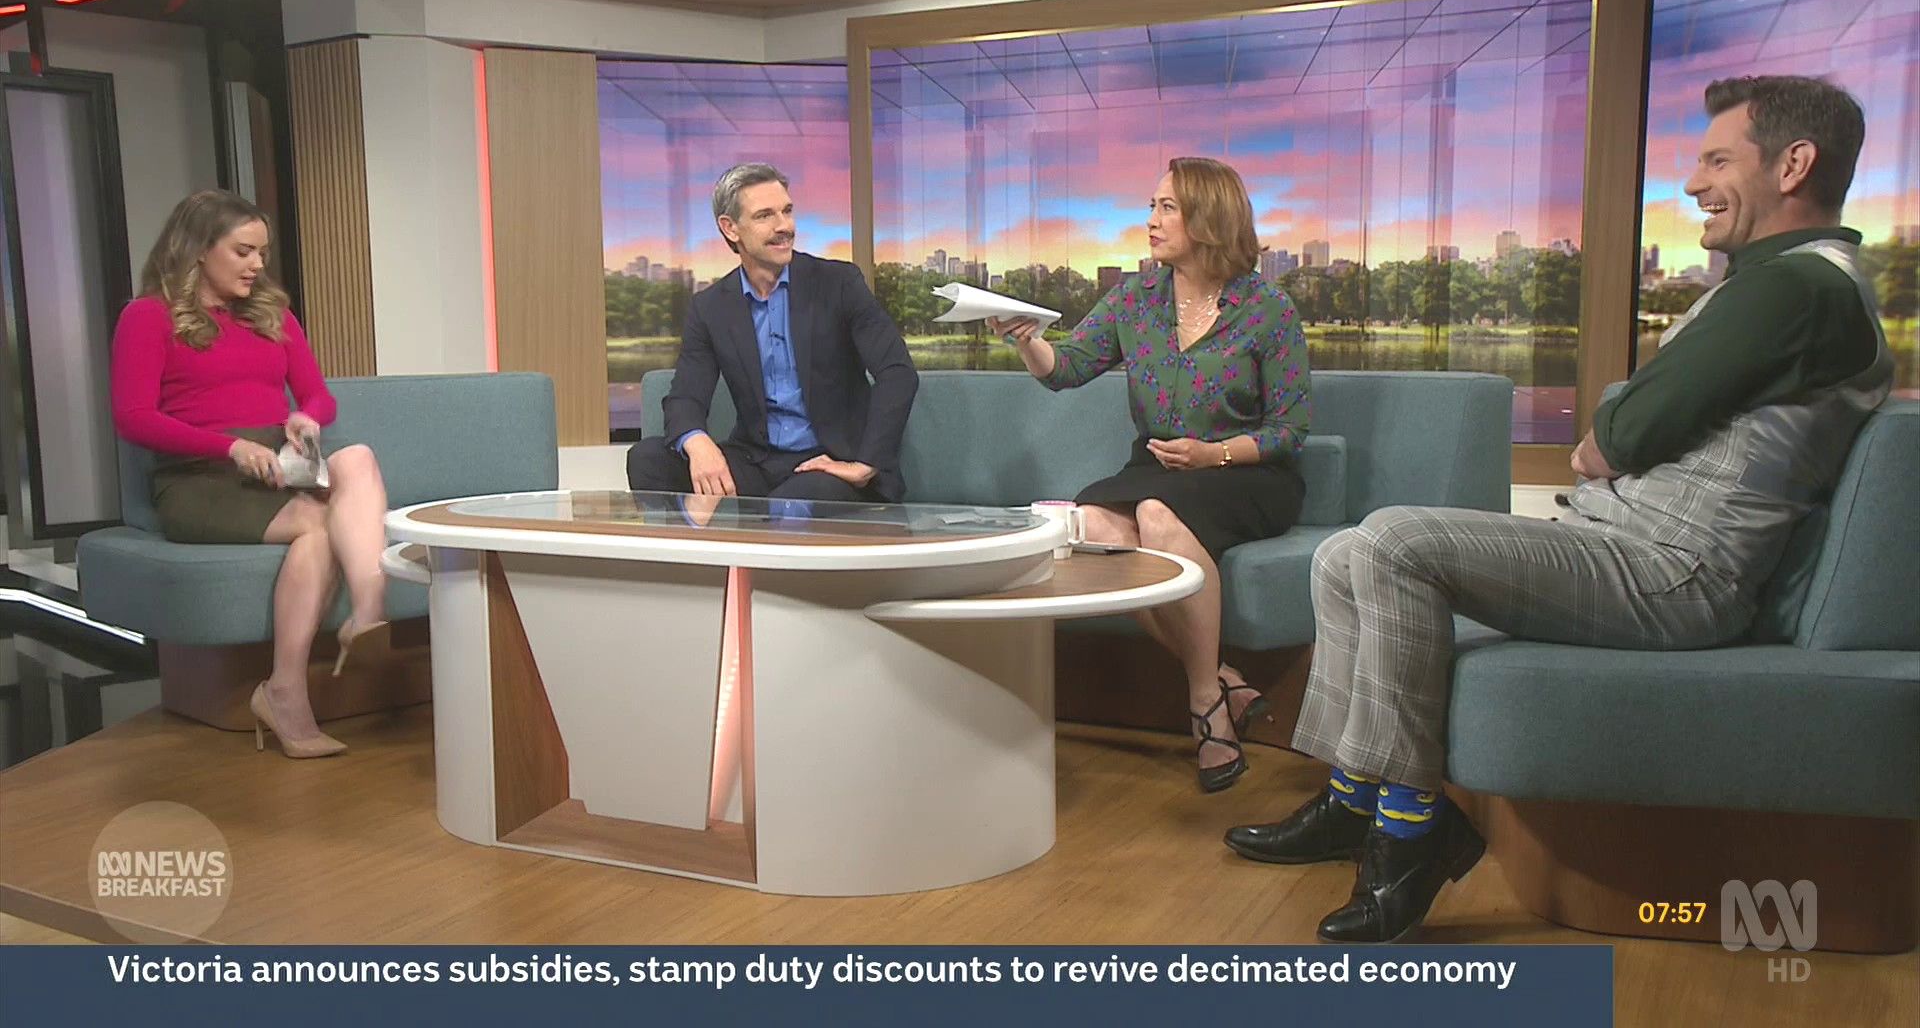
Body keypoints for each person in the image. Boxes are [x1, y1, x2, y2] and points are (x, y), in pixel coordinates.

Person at [1225, 75, 1890, 943]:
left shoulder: (1798, 288)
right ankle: (1352, 799)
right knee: (1345, 552)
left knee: (1391, 541)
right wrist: (1619, 432)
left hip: (1676, 575)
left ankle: (1411, 833)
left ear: (1794, 165)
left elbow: (1623, 429)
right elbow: (1636, 418)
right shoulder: (1778, 285)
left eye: (1719, 160)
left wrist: (1611, 437)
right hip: (1631, 549)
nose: (1694, 182)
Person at [989, 156, 1312, 793]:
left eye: (1168, 208)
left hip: (1245, 472)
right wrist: (1028, 339)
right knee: (1094, 524)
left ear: (1208, 218)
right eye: (1152, 207)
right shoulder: (1134, 300)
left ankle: (1203, 706)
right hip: (1160, 465)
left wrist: (1212, 455)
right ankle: (1220, 679)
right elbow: (1067, 368)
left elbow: (1290, 429)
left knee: (1158, 517)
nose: (1152, 221)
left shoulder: (1267, 308)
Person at [110, 190, 394, 760]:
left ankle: (368, 615)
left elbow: (317, 394)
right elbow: (132, 417)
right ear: (199, 249)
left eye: (262, 252)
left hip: (274, 467)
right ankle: (285, 692)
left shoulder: (272, 315)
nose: (257, 265)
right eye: (243, 251)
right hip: (198, 478)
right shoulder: (147, 317)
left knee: (357, 457)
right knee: (318, 524)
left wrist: (306, 417)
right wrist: (229, 447)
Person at [626, 163, 918, 503]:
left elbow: (897, 371)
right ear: (730, 228)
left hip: (828, 464)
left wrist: (863, 465)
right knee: (647, 459)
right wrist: (698, 442)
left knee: (797, 500)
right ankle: (708, 537)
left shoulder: (839, 283)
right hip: (757, 462)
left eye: (787, 211)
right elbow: (685, 396)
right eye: (765, 215)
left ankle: (750, 540)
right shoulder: (710, 307)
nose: (784, 226)